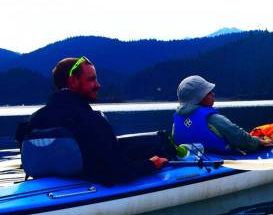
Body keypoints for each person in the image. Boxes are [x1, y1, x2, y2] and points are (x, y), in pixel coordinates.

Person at [15, 57, 171, 184]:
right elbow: (119, 173)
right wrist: (151, 164)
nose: (98, 85)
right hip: (86, 192)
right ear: (73, 82)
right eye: (91, 79)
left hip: (43, 189)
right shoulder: (92, 121)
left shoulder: (34, 120)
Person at [172, 75, 271, 154]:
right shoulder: (212, 118)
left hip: (194, 161)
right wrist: (259, 142)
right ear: (199, 97)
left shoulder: (177, 122)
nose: (213, 94)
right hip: (222, 160)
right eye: (209, 92)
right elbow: (239, 137)